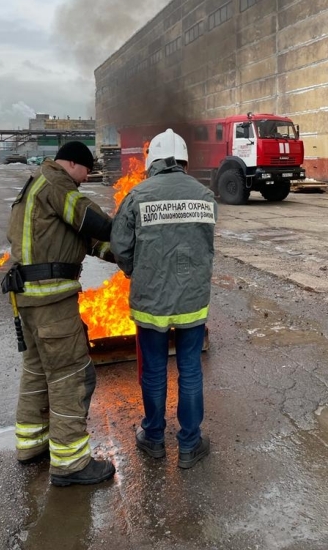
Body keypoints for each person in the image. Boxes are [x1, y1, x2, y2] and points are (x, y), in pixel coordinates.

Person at [5, 140, 116, 487]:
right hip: (51, 301)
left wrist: (124, 255)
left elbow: (82, 239)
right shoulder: (57, 183)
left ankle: (32, 444)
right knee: (72, 375)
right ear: (72, 164)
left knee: (38, 371)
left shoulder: (36, 187)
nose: (85, 179)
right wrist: (121, 229)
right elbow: (89, 220)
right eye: (86, 171)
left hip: (28, 300)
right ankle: (71, 463)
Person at [111, 128, 217, 469]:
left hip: (151, 300)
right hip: (192, 300)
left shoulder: (137, 195)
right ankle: (190, 444)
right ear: (184, 161)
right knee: (190, 369)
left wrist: (136, 271)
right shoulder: (204, 195)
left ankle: (154, 438)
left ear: (151, 161)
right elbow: (205, 244)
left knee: (155, 370)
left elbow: (120, 247)